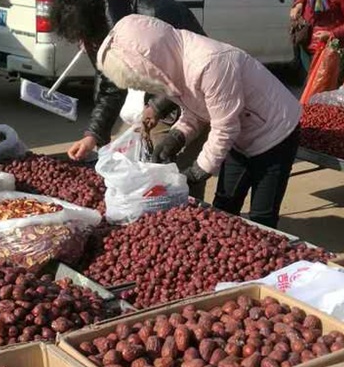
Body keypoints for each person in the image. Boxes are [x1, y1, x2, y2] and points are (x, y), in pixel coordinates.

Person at [98, 15, 301, 229]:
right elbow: (199, 109)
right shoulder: (172, 64)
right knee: (224, 204)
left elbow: (225, 126)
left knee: (262, 215)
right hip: (240, 132)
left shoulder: (211, 63)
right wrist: (177, 136)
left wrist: (198, 171)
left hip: (276, 132)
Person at [51, 0, 204, 164]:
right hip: (154, 100)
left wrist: (157, 107)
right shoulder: (96, 34)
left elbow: (189, 72)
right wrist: (93, 134)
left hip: (190, 100)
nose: (83, 44)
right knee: (135, 159)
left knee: (174, 169)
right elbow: (110, 85)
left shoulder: (157, 14)